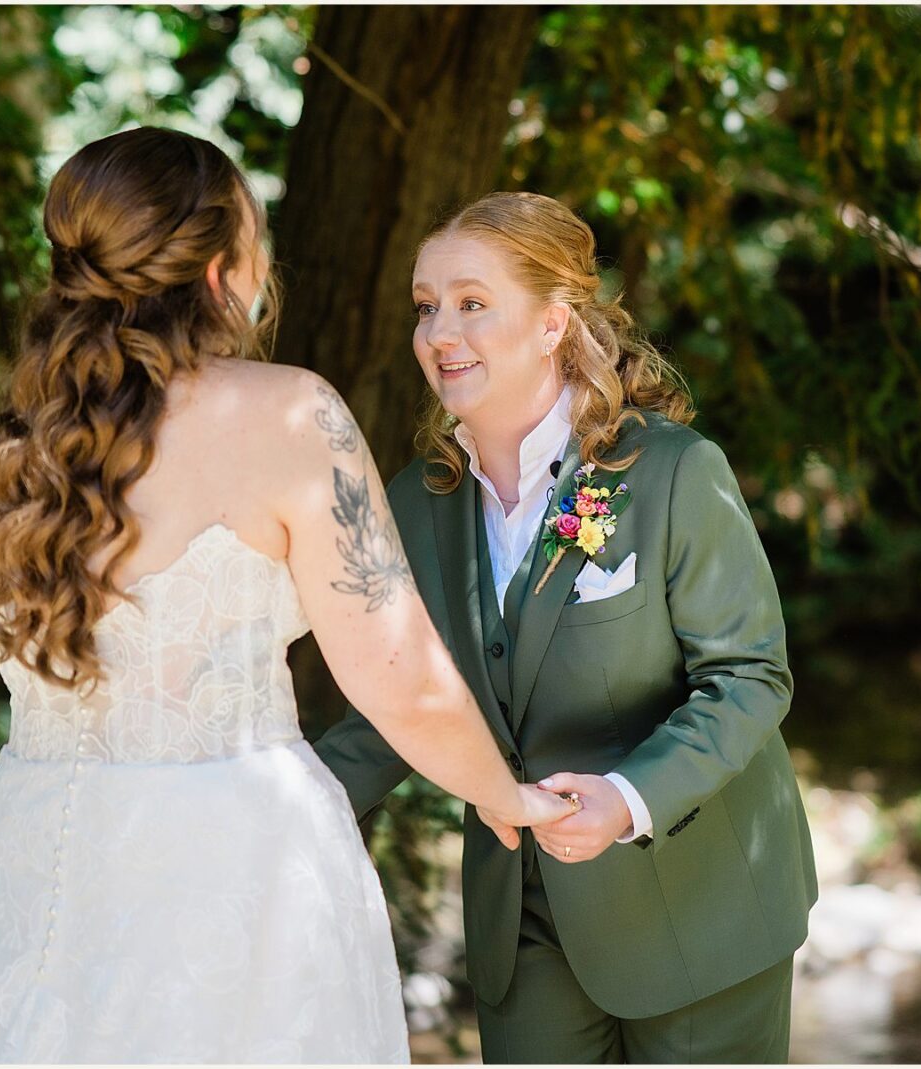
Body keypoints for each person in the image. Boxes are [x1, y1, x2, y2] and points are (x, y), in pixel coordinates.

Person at [0, 130, 572, 1064]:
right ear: (222, 269)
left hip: (34, 847)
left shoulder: (30, 438)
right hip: (235, 868)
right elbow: (401, 679)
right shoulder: (291, 413)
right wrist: (509, 797)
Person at [314, 191, 818, 1063]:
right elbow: (397, 708)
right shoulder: (415, 505)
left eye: (472, 303)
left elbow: (748, 677)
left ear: (552, 325)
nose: (440, 330)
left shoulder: (668, 472)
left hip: (700, 911)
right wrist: (267, 812)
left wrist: (627, 799)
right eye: (426, 305)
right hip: (524, 928)